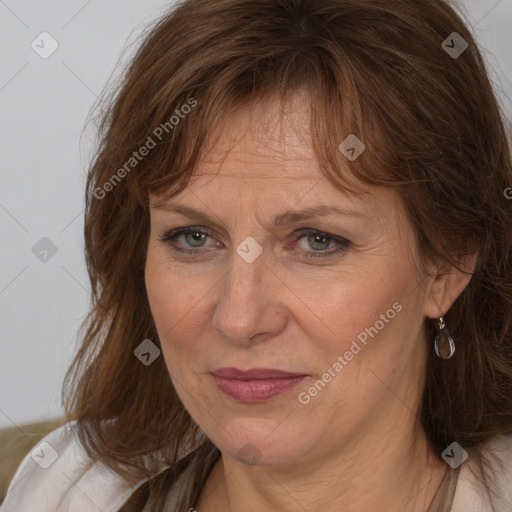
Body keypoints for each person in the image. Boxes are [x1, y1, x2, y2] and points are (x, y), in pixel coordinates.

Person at [2, 0, 512, 510]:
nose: (239, 319)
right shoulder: (61, 491)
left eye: (317, 240)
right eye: (194, 237)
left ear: (446, 265)